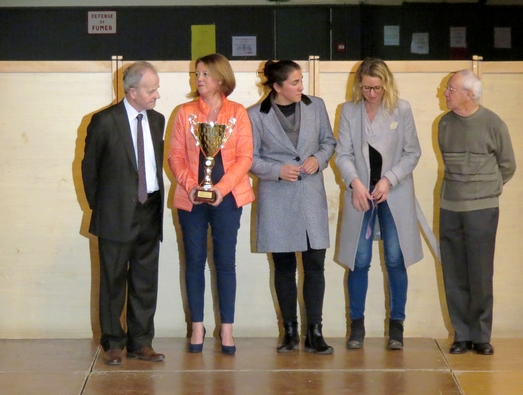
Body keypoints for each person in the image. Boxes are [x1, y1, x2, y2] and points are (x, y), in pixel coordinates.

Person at [335, 58, 424, 351]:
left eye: (377, 88)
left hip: (393, 194)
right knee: (359, 261)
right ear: (358, 85)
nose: (371, 94)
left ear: (386, 85)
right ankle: (356, 327)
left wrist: (389, 179)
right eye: (366, 88)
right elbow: (343, 154)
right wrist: (355, 182)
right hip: (360, 195)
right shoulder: (348, 111)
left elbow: (412, 153)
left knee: (396, 259)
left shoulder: (402, 109)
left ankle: (396, 326)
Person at [168, 53, 254, 356]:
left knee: (224, 262)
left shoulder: (238, 112)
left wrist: (219, 188)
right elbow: (175, 156)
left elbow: (245, 157)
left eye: (205, 74)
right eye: (197, 74)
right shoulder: (185, 112)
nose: (199, 79)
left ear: (220, 78)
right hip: (190, 200)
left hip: (228, 198)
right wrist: (193, 187)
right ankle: (197, 326)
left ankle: (226, 328)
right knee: (192, 261)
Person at [248, 60, 336, 355]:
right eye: (295, 82)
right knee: (284, 268)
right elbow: (249, 158)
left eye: (301, 81)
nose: (301, 87)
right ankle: (289, 332)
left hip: (310, 195)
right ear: (277, 87)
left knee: (315, 265)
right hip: (277, 197)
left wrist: (318, 159)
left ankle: (315, 332)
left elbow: (329, 142)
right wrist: (276, 171)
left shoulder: (317, 106)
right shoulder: (255, 116)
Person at [82, 61, 166, 365]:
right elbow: (89, 170)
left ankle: (141, 342)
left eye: (156, 88)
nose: (157, 95)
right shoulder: (104, 121)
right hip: (115, 214)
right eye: (151, 89)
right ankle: (113, 342)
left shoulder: (158, 120)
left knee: (145, 281)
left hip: (151, 210)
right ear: (132, 92)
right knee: (113, 281)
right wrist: (104, 207)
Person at [438, 69, 516, 356]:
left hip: (482, 209)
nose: (445, 93)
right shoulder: (444, 124)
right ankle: (461, 335)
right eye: (447, 89)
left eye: (450, 89)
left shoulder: (493, 123)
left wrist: (485, 190)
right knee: (454, 272)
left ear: (469, 94)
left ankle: (481, 336)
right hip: (449, 206)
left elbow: (508, 165)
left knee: (481, 273)